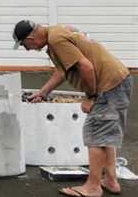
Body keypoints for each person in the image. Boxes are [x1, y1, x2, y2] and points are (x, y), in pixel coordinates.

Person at [14, 20, 132, 197]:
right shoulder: (56, 33)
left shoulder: (56, 40)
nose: (27, 49)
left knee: (94, 134)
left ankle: (93, 187)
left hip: (107, 86)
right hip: (117, 82)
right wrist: (43, 92)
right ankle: (110, 181)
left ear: (30, 38)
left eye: (24, 45)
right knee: (106, 135)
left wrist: (90, 96)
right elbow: (62, 72)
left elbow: (85, 66)